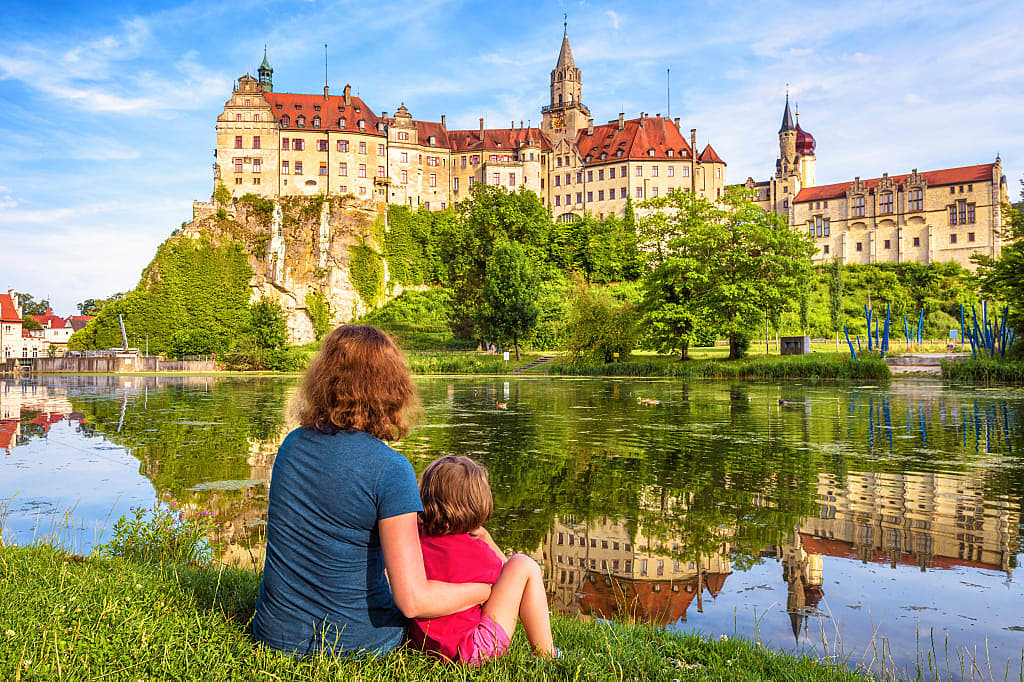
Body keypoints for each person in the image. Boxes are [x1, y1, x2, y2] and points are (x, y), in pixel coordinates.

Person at [252, 326, 491, 656]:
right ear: (391, 388)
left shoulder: (291, 445)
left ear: (323, 379)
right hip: (355, 644)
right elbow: (412, 602)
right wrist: (481, 591)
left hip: (273, 633)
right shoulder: (390, 468)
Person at [409, 456, 557, 665]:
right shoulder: (474, 551)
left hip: (424, 645)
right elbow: (511, 580)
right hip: (469, 651)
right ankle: (547, 654)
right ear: (478, 504)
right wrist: (488, 540)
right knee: (524, 564)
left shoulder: (415, 539)